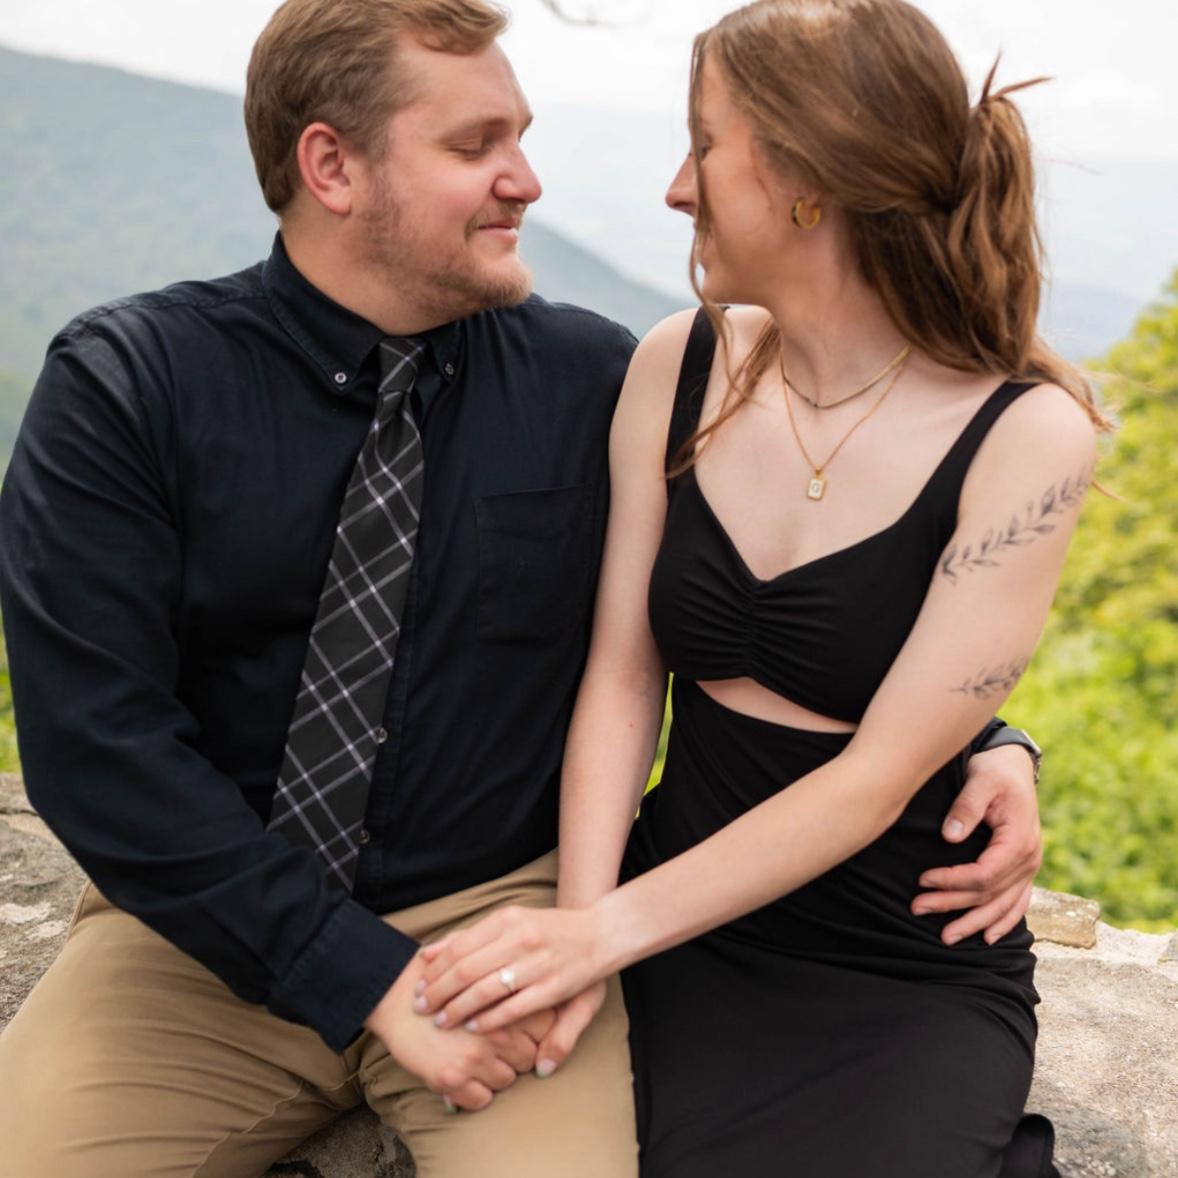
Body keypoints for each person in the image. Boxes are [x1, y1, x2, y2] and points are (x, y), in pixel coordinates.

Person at [0, 0, 1042, 1175]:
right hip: (204, 934)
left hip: (501, 921)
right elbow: (96, 746)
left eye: (522, 137)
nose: (527, 182)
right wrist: (364, 975)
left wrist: (986, 736)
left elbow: (787, 580)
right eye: (474, 146)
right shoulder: (130, 386)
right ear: (331, 167)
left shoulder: (594, 378)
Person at [412, 3, 1106, 1176]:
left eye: (702, 145)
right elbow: (621, 677)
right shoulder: (678, 363)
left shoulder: (1024, 434)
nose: (674, 189)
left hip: (891, 968)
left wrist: (598, 933)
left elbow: (874, 778)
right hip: (669, 922)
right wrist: (584, 929)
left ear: (806, 180)